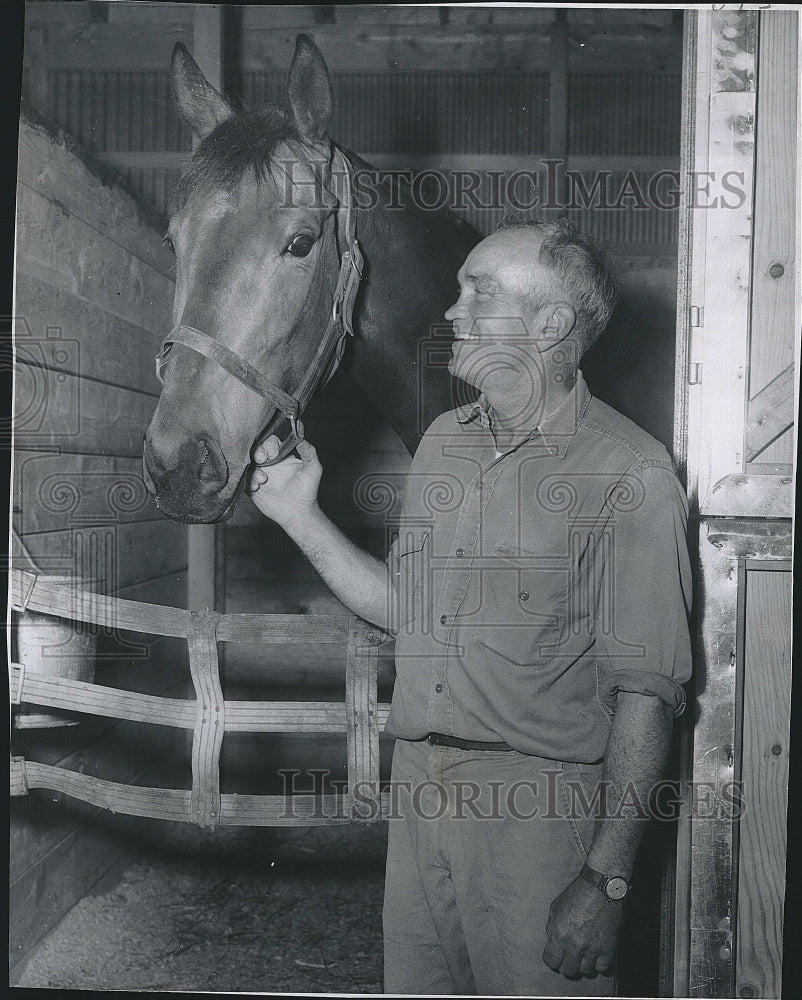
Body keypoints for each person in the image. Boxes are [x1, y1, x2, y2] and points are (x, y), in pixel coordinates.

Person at [249, 218, 692, 997]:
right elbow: (404, 609)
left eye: (478, 291)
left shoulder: (631, 473)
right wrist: (299, 516)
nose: (451, 311)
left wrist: (605, 881)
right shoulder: (445, 446)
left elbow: (646, 695)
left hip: (538, 812)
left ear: (550, 324)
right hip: (419, 792)